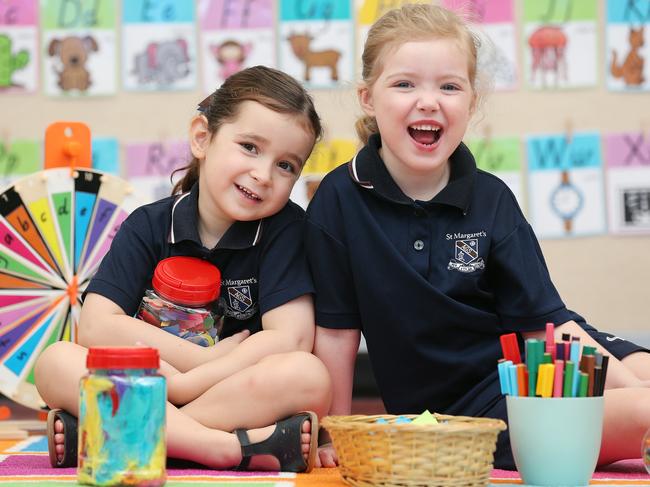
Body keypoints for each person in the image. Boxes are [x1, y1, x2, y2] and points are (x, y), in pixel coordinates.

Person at [305, 4, 650, 470]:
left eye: (449, 86)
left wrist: (631, 382)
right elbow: (336, 333)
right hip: (478, 414)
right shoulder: (338, 199)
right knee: (644, 409)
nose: (429, 101)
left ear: (471, 101)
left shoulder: (492, 198)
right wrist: (334, 435)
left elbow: (545, 327)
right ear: (368, 98)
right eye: (405, 83)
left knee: (644, 378)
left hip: (549, 357)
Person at [35, 65, 332, 473]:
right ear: (202, 137)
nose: (263, 175)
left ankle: (119, 434)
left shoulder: (285, 229)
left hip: (230, 393)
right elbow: (96, 326)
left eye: (286, 166)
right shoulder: (150, 223)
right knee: (56, 361)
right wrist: (188, 371)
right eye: (249, 147)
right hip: (148, 381)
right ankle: (221, 447)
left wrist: (197, 381)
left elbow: (291, 338)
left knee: (308, 376)